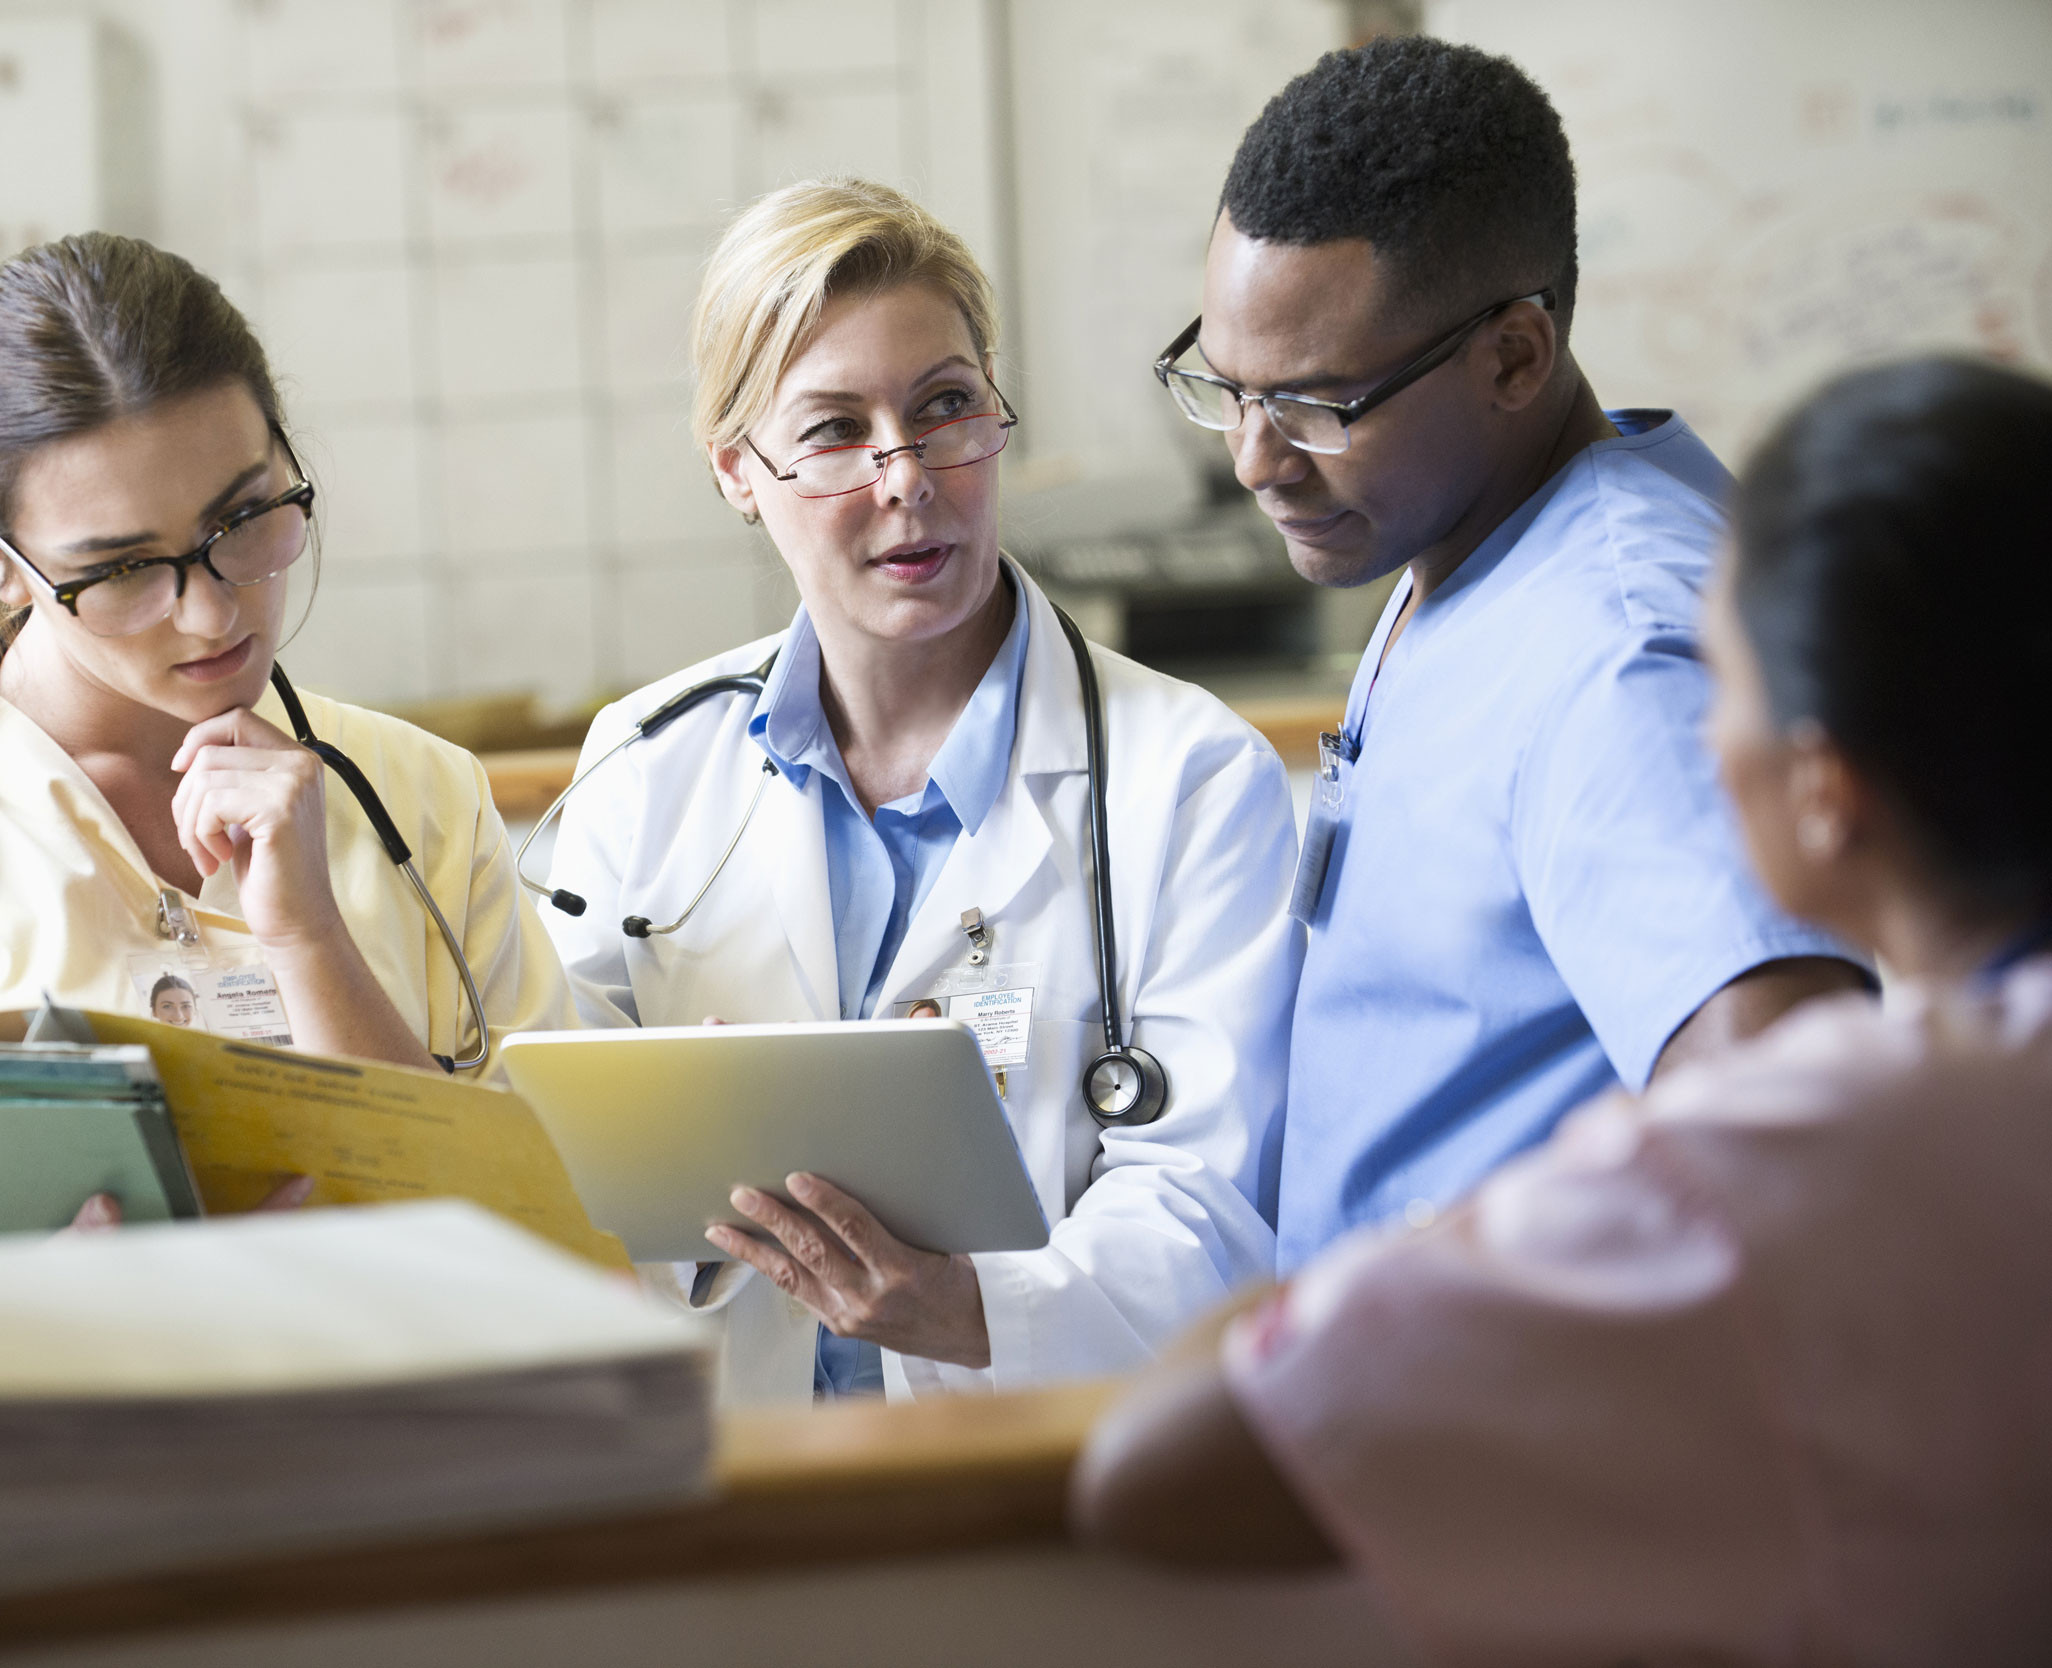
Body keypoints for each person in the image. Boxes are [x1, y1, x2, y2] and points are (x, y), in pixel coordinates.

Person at [1072, 356, 2052, 1660]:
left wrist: (1470, 1235)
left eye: (1721, 684)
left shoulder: (1787, 1157)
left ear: (1823, 791)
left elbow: (1158, 1472)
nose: (1697, 740)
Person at [540, 180, 1304, 1405]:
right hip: (735, 1486)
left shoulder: (1192, 779)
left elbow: (1209, 1204)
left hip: (1045, 1493)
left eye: (944, 406)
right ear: (740, 470)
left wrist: (970, 1310)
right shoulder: (643, 764)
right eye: (836, 429)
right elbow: (556, 1156)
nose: (907, 476)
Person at [1153, 37, 1867, 1270]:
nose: (1255, 462)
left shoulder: (1613, 649)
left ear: (1515, 356)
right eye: (1227, 388)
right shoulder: (1464, 542)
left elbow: (1799, 1124)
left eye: (1318, 403)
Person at [0, 233, 573, 1074]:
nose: (209, 614)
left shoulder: (426, 801)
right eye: (121, 570)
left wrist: (310, 939)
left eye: (240, 521)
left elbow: (555, 1201)